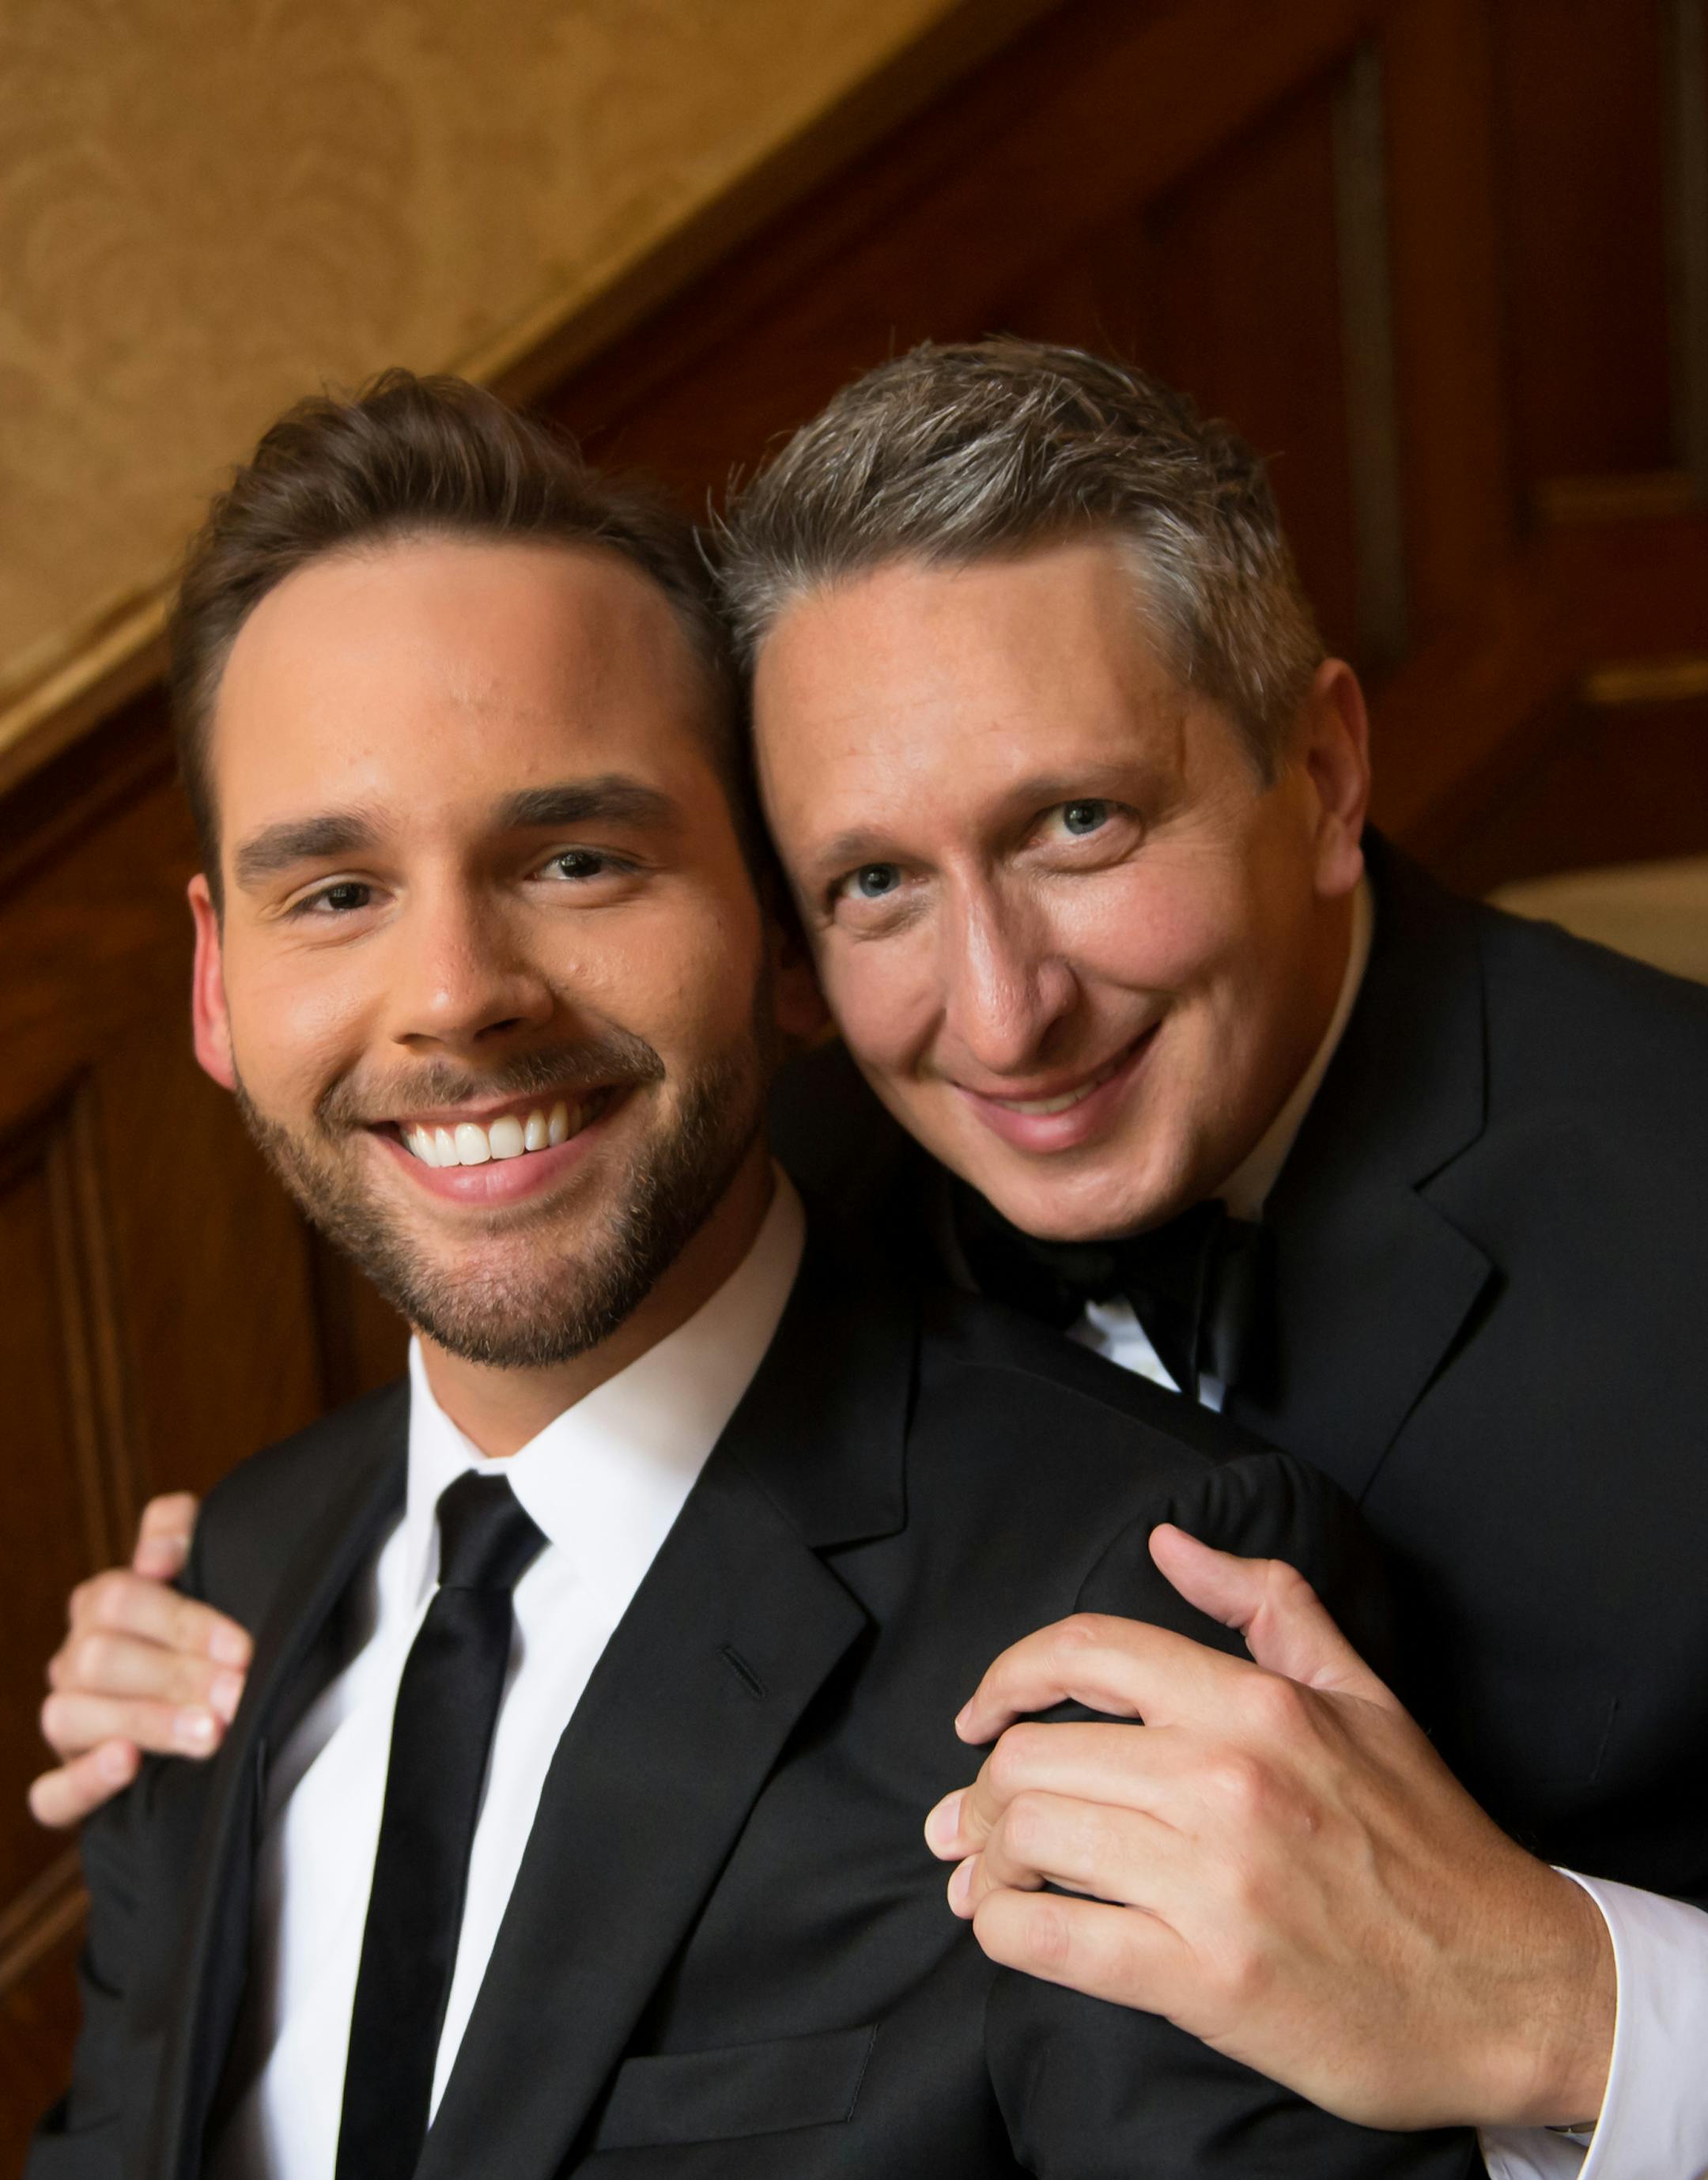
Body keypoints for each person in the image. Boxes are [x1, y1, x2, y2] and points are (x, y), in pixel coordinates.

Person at [37, 342, 1708, 2173]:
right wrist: (304, 1587)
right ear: (791, 948)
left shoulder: (1654, 1215)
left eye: (1081, 821)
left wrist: (1565, 2003)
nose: (998, 1017)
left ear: (1321, 771)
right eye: (873, 884)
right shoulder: (730, 1148)